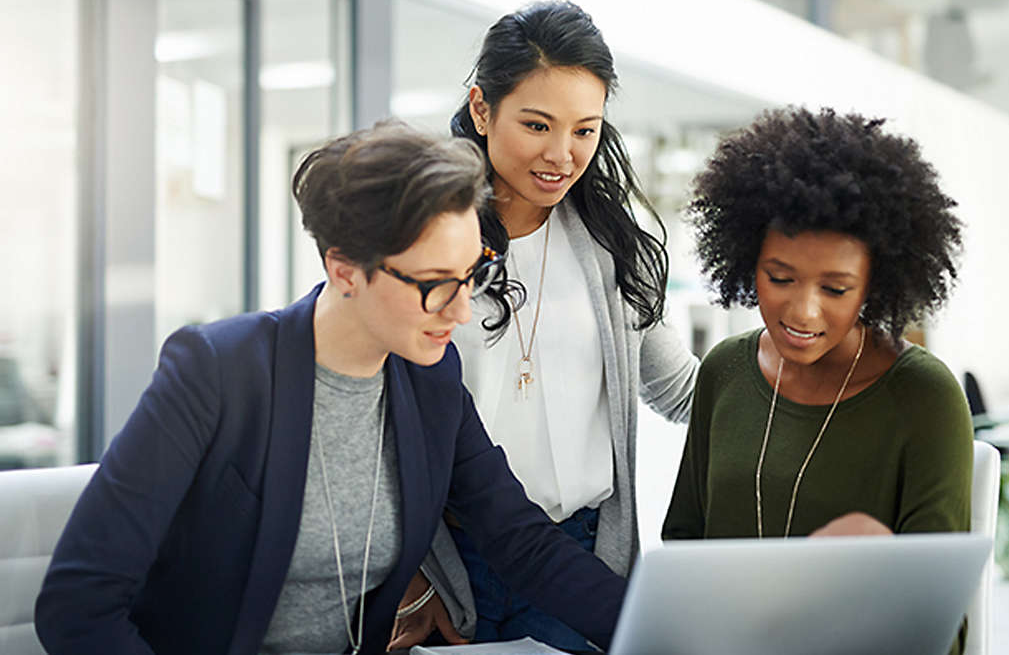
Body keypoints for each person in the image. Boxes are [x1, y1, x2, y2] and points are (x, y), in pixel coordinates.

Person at [34, 122, 627, 655]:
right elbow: (77, 606)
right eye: (436, 283)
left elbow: (521, 541)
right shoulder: (217, 371)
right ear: (344, 269)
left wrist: (659, 630)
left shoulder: (431, 380)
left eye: (472, 274)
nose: (463, 310)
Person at [390, 0, 699, 651]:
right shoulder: (422, 238)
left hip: (581, 557)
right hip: (449, 563)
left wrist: (805, 376)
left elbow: (681, 391)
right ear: (481, 109)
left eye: (585, 130)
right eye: (537, 124)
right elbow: (376, 417)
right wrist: (413, 578)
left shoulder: (615, 248)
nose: (562, 154)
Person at [661, 106, 972, 653]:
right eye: (780, 278)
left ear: (876, 285)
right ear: (745, 259)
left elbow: (938, 617)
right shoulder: (723, 372)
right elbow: (684, 546)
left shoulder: (924, 397)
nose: (802, 312)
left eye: (835, 289)